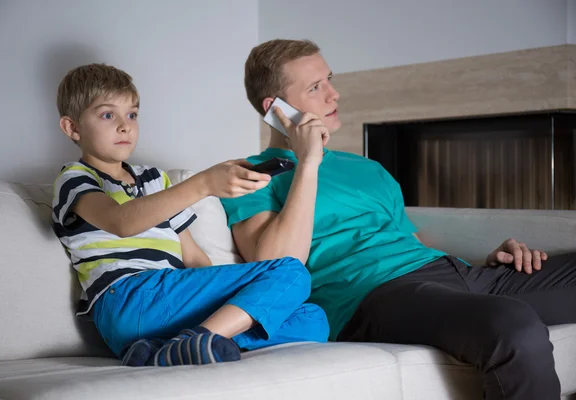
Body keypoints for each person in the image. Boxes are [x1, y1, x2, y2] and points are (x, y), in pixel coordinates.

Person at [220, 39, 576, 399]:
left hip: (445, 276)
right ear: (275, 109)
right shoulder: (253, 176)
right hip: (371, 297)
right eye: (316, 88)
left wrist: (488, 259)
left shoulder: (367, 168)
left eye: (329, 80)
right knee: (512, 325)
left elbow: (411, 247)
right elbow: (276, 265)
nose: (335, 95)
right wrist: (307, 162)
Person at [51, 63, 329, 367]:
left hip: (163, 315)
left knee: (313, 320)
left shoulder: (154, 180)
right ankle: (197, 339)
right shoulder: (75, 179)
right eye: (108, 115)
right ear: (72, 128)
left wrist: (223, 296)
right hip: (127, 300)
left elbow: (195, 260)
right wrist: (204, 184)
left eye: (132, 114)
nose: (125, 125)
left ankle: (165, 349)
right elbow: (122, 221)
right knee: (290, 272)